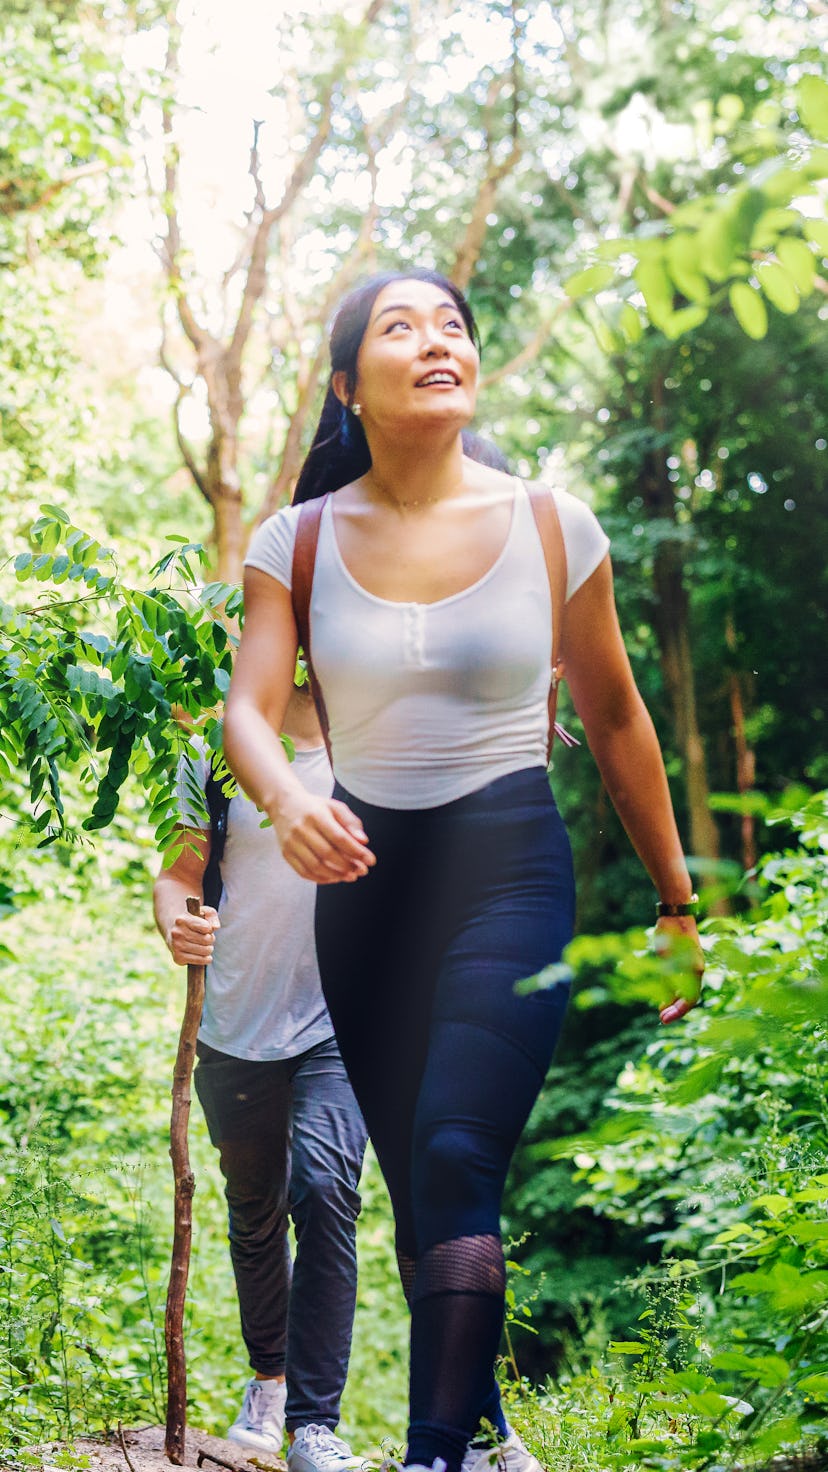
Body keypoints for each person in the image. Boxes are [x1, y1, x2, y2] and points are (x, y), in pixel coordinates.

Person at [222, 268, 704, 1472]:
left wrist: (677, 902)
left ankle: (433, 1452)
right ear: (350, 386)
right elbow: (248, 710)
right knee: (422, 1186)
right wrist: (289, 798)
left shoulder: (553, 523)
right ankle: (487, 1430)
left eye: (453, 325)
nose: (436, 339)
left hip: (508, 861)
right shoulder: (302, 537)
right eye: (401, 327)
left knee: (453, 1152)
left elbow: (619, 719)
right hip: (366, 881)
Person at [153, 676, 368, 1472]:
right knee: (255, 1210)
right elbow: (180, 873)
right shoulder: (214, 748)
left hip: (341, 1022)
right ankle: (268, 1384)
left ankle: (315, 1422)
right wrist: (177, 923)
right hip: (236, 1021)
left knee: (326, 1187)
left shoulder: (374, 739)